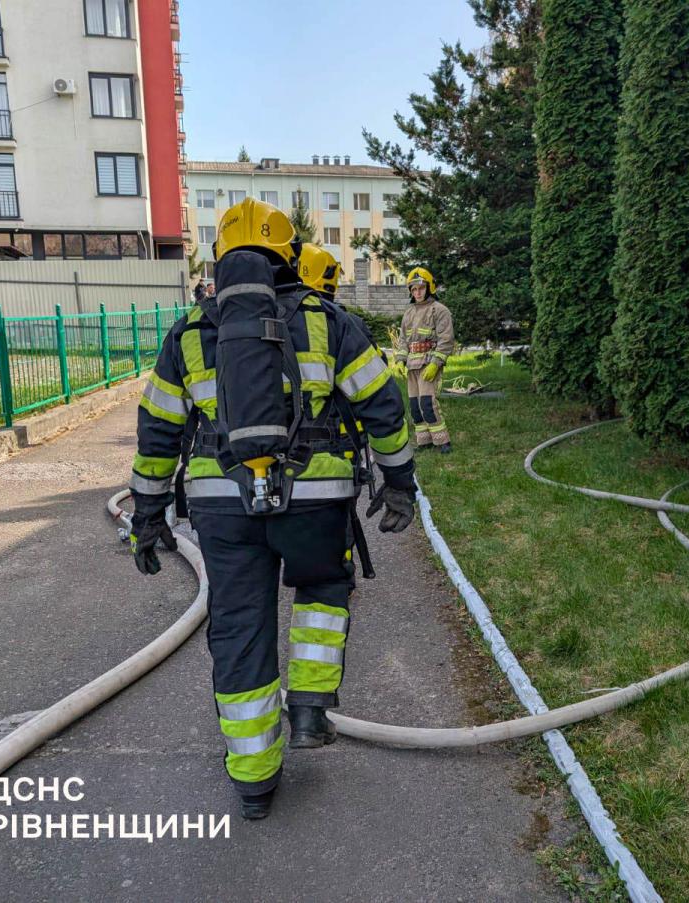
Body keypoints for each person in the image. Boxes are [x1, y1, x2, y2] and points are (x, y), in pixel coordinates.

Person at [127, 198, 416, 820]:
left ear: (219, 258)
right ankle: (310, 710)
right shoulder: (328, 321)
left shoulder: (188, 332)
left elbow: (157, 434)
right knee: (323, 582)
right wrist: (400, 484)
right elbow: (381, 406)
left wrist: (148, 517)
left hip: (221, 508)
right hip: (315, 497)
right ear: (289, 256)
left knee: (239, 625)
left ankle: (254, 778)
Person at [394, 267, 454, 453]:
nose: (417, 292)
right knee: (414, 405)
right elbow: (404, 339)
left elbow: (446, 339)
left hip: (429, 363)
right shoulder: (409, 312)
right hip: (412, 364)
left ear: (429, 288)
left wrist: (436, 364)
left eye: (420, 288)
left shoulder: (440, 310)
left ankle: (442, 441)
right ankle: (424, 440)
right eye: (413, 289)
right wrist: (399, 360)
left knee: (427, 403)